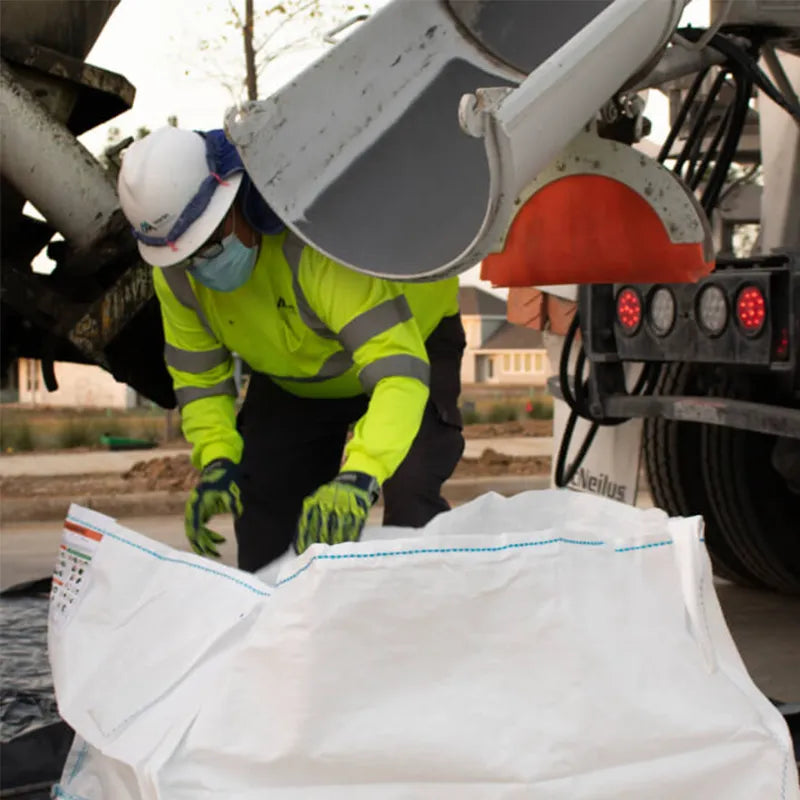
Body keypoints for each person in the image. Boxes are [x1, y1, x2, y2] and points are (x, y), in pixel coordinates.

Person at [117, 125, 466, 572]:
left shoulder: (316, 245)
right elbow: (200, 380)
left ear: (236, 202)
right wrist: (218, 457)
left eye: (207, 243)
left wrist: (361, 474)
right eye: (183, 255)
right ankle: (288, 633)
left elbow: (398, 374)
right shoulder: (177, 275)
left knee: (410, 492)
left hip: (410, 344)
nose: (198, 264)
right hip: (295, 378)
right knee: (265, 517)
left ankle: (419, 624)